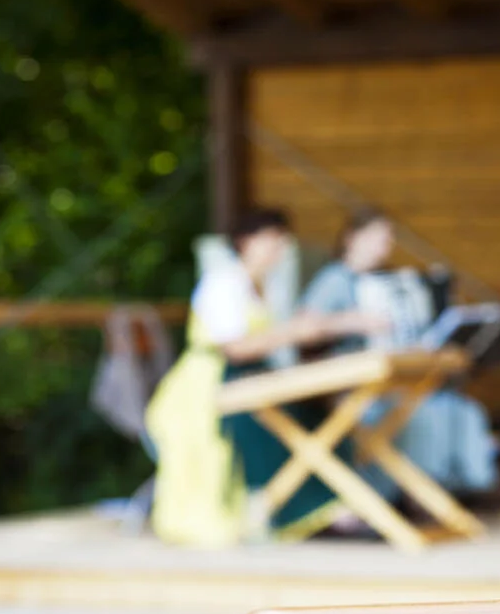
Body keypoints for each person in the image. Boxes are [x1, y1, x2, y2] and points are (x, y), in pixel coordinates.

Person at [145, 208, 383, 548]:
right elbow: (235, 348)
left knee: (316, 416)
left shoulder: (260, 284)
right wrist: (292, 333)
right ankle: (293, 512)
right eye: (272, 238)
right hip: (213, 385)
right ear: (246, 241)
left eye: (282, 240)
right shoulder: (224, 282)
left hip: (252, 380)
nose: (280, 247)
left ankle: (324, 511)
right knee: (272, 427)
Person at [302, 210, 498, 499]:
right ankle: (402, 495)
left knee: (456, 408)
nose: (385, 245)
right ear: (352, 238)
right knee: (419, 414)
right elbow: (303, 328)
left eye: (389, 238)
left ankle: (445, 489)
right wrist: (350, 321)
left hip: (391, 382)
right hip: (353, 386)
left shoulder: (391, 279)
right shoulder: (335, 280)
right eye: (378, 237)